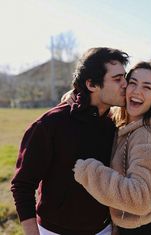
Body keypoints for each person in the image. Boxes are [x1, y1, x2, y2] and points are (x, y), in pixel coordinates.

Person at [11, 47, 129, 235]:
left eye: (124, 77)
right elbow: (22, 185)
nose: (125, 84)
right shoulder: (50, 125)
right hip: (53, 231)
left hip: (103, 229)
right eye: (117, 79)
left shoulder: (114, 126)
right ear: (91, 84)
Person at [73, 60, 151, 235]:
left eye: (147, 87)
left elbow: (140, 198)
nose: (137, 90)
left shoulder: (146, 135)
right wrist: (76, 98)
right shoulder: (128, 127)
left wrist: (89, 171)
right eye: (133, 83)